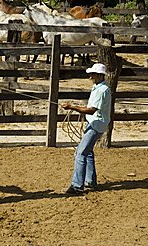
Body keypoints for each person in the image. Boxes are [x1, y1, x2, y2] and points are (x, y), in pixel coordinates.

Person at [61, 63, 112, 194]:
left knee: (80, 153)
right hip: (96, 123)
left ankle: (77, 185)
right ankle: (90, 181)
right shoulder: (99, 88)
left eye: (93, 74)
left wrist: (72, 107)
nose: (90, 77)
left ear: (100, 75)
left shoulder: (102, 90)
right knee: (87, 152)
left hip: (96, 124)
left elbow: (91, 110)